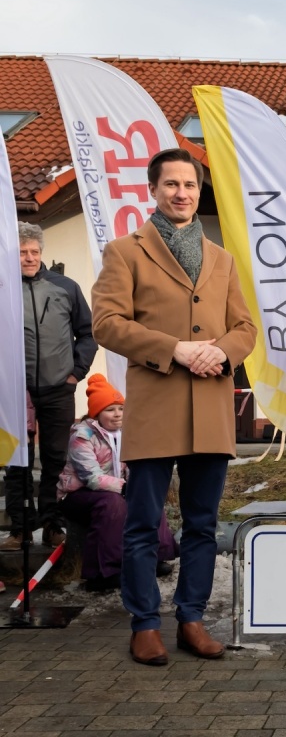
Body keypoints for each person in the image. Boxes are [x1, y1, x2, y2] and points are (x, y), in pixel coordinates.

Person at [91, 147, 257, 666]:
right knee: (143, 524)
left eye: (189, 185)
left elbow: (245, 328)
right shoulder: (125, 251)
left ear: (198, 191)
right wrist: (175, 349)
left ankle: (191, 620)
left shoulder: (221, 258)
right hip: (156, 407)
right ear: (153, 190)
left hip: (210, 408)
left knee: (202, 525)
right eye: (171, 184)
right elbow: (107, 324)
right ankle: (144, 624)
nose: (181, 193)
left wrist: (221, 352)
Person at [2, 222, 97, 551]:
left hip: (59, 389)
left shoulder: (65, 287)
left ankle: (52, 524)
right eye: (22, 252)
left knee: (56, 459)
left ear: (41, 252)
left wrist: (76, 373)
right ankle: (20, 529)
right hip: (15, 393)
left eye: (34, 251)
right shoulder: (3, 287)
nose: (29, 257)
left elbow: (88, 333)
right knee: (17, 460)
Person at [57, 374, 177, 592]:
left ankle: (156, 557)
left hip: (115, 489)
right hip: (77, 494)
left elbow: (133, 467)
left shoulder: (126, 433)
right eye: (110, 410)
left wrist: (137, 485)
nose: (117, 414)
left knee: (147, 494)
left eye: (120, 408)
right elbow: (91, 478)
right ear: (96, 413)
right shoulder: (82, 436)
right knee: (113, 504)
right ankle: (104, 572)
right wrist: (125, 487)